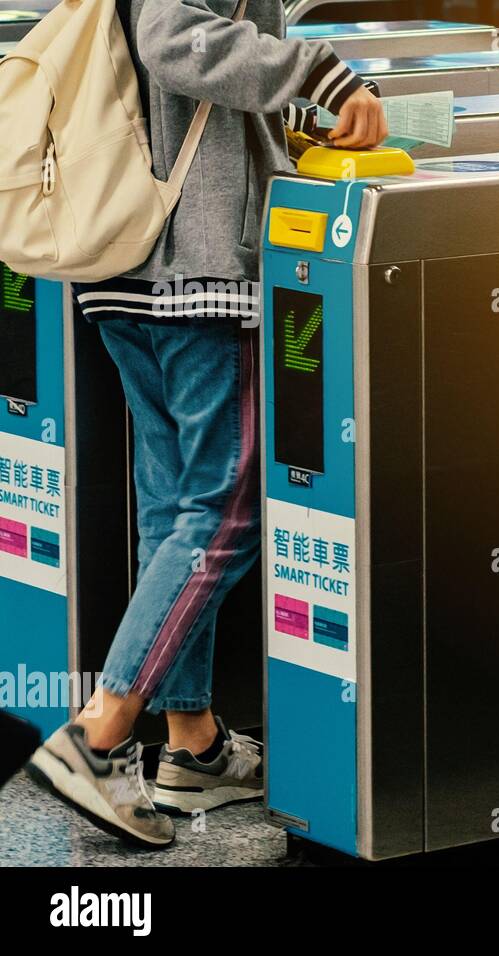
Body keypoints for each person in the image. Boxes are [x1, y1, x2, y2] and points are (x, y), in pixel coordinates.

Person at [24, 0, 388, 849]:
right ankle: (101, 732)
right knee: (225, 512)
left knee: (175, 514)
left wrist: (288, 108)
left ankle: (192, 743)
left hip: (127, 260)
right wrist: (316, 72)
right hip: (195, 266)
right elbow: (172, 41)